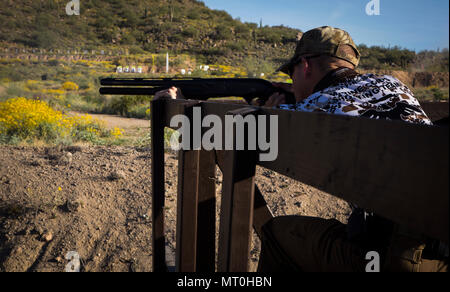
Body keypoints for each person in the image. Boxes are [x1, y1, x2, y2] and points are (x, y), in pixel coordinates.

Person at [154, 26, 448, 272]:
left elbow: (228, 130)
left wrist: (177, 103)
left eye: (291, 74)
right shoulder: (393, 84)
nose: (291, 83)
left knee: (278, 235)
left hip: (393, 258)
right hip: (439, 249)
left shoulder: (318, 105)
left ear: (305, 65)